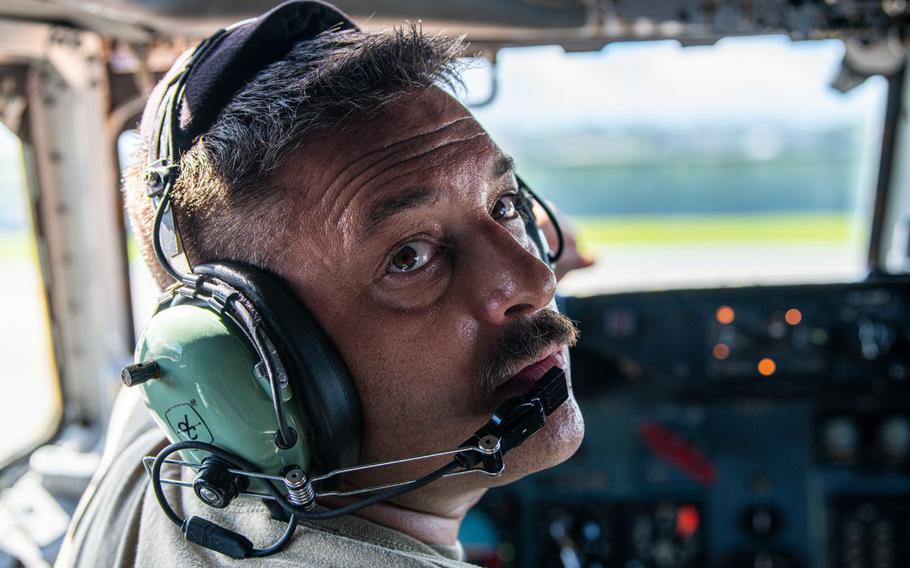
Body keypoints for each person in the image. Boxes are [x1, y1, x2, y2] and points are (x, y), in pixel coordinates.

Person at [57, 3, 590, 566]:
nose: (537, 280)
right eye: (409, 256)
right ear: (266, 362)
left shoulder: (165, 450)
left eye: (505, 205)